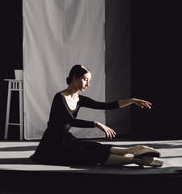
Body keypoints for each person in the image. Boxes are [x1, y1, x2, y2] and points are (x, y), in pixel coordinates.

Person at [31, 64, 163, 167]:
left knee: (94, 148)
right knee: (89, 155)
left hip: (66, 139)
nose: (88, 84)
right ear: (75, 78)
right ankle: (138, 160)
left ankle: (134, 150)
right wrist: (96, 124)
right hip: (53, 143)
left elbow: (107, 105)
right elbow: (70, 121)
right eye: (85, 80)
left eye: (89, 80)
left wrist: (132, 100)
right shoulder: (59, 97)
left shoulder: (79, 99)